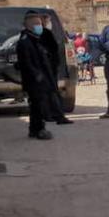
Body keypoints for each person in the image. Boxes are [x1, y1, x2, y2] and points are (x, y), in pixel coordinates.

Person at [15, 10, 72, 140]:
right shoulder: (25, 42)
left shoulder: (35, 40)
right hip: (34, 80)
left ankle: (34, 129)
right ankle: (39, 129)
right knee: (37, 105)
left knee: (37, 104)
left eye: (40, 23)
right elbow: (26, 62)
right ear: (29, 25)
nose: (39, 26)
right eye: (37, 24)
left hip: (43, 78)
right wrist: (37, 75)